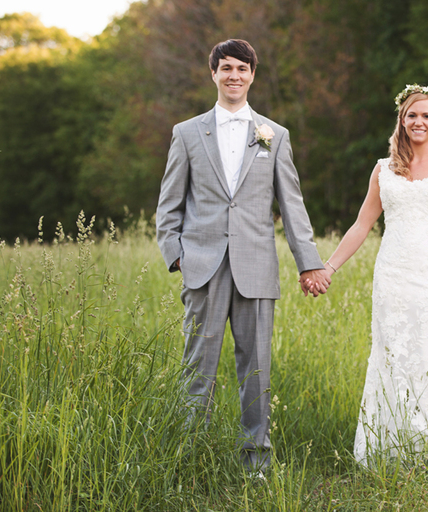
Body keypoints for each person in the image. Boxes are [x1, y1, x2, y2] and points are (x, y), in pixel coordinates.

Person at [156, 39, 332, 471]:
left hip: (256, 267)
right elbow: (169, 203)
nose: (234, 75)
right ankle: (190, 457)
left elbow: (292, 204)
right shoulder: (187, 132)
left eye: (242, 68)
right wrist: (175, 253)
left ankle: (256, 460)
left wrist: (308, 261)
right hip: (202, 265)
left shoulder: (276, 135)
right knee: (198, 367)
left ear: (253, 74)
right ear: (213, 73)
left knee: (257, 371)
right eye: (226, 68)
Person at [315, 84, 428, 463]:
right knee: (392, 353)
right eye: (412, 115)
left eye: (426, 115)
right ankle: (392, 445)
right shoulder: (383, 169)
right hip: (392, 273)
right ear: (402, 118)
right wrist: (329, 266)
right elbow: (362, 225)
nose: (418, 121)